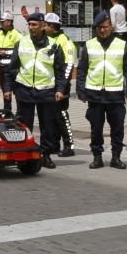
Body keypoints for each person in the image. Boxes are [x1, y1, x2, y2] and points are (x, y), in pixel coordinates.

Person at [77, 11, 127, 169]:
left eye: (105, 27)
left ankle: (116, 157)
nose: (102, 30)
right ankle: (97, 157)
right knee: (96, 129)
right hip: (95, 95)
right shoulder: (89, 45)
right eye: (99, 28)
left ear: (112, 27)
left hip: (115, 94)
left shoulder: (122, 45)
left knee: (117, 128)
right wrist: (80, 91)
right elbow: (81, 70)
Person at [11, 11, 68, 168]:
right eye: (29, 24)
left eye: (34, 24)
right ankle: (25, 155)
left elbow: (60, 71)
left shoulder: (54, 45)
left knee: (47, 126)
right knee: (24, 125)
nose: (31, 27)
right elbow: (12, 68)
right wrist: (8, 89)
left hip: (46, 91)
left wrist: (60, 89)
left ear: (43, 26)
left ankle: (46, 155)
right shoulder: (21, 43)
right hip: (24, 90)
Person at [44, 12, 78, 156]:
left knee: (62, 116)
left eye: (44, 25)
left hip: (61, 85)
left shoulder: (65, 42)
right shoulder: (50, 39)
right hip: (51, 84)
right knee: (52, 116)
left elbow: (69, 66)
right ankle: (54, 144)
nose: (42, 27)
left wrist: (62, 87)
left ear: (51, 27)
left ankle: (69, 145)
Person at [0, 11, 21, 116]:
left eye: (2, 21)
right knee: (6, 92)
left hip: (13, 68)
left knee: (17, 92)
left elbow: (19, 50)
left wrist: (6, 52)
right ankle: (7, 112)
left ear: (9, 22)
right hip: (2, 67)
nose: (0, 23)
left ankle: (19, 113)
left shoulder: (16, 34)